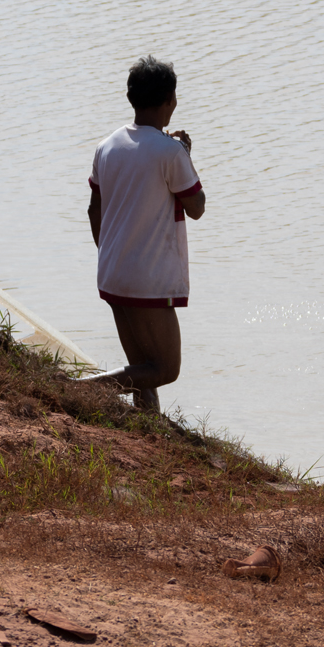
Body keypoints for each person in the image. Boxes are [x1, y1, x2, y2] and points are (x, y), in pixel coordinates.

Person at [81, 56, 206, 413]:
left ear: (131, 97)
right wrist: (185, 155)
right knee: (165, 368)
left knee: (142, 370)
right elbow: (196, 206)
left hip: (112, 271)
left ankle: (150, 427)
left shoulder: (106, 147)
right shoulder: (170, 152)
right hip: (147, 279)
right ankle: (79, 388)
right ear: (169, 100)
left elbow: (94, 209)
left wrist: (109, 253)